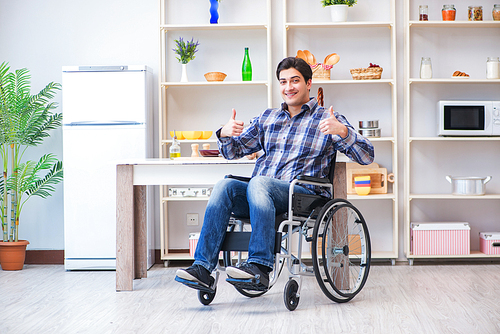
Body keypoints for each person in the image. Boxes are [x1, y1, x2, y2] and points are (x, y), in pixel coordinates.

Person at [175, 57, 374, 291]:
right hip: (260, 195)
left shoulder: (327, 119)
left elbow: (366, 156)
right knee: (224, 186)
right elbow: (233, 151)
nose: (288, 87)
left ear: (309, 83)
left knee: (259, 183)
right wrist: (225, 134)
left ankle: (260, 267)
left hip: (301, 196)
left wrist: (342, 132)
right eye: (283, 82)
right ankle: (202, 269)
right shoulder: (267, 118)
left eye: (295, 81)